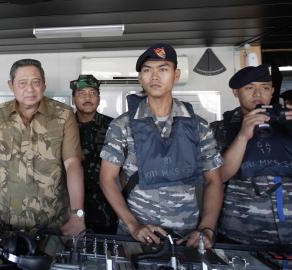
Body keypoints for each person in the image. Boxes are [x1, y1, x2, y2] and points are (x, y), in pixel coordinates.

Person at [99, 43, 223, 248]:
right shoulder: (122, 125)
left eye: (163, 69)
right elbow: (107, 178)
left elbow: (214, 181)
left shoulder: (198, 127)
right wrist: (133, 225)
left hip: (185, 237)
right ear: (140, 78)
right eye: (147, 70)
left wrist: (206, 229)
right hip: (135, 236)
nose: (154, 76)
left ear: (176, 75)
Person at [0, 59, 85, 236]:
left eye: (36, 82)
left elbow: (72, 165)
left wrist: (77, 216)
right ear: (11, 85)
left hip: (51, 222)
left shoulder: (64, 115)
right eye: (22, 83)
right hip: (4, 221)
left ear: (44, 85)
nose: (30, 89)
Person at [210, 65, 292, 245]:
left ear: (272, 91)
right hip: (242, 230)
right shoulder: (219, 129)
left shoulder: (286, 121)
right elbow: (218, 176)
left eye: (265, 88)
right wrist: (242, 136)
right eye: (249, 88)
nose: (258, 94)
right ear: (235, 92)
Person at [71, 74, 117, 234]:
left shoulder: (114, 127)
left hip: (105, 205)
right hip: (70, 206)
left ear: (99, 98)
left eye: (92, 93)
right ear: (73, 98)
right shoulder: (64, 126)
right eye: (81, 93)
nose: (87, 98)